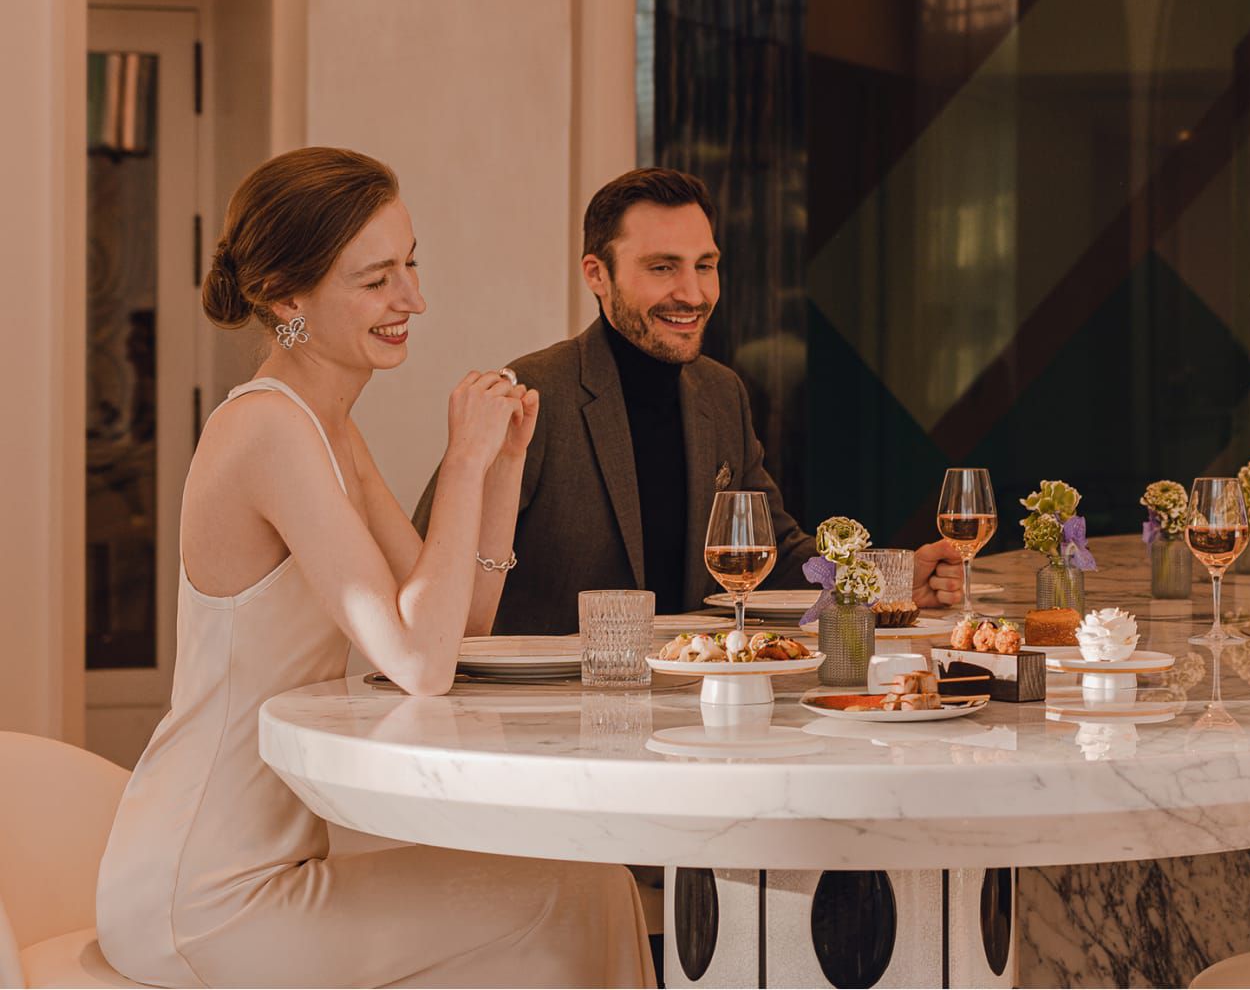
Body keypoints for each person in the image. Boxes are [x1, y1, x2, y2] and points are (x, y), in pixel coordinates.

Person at [96, 147, 654, 987]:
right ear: (289, 297)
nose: (413, 300)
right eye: (377, 279)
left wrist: (500, 472)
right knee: (578, 894)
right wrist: (459, 464)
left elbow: (457, 627)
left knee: (581, 892)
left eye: (411, 264)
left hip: (269, 863)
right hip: (205, 893)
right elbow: (421, 665)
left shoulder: (327, 427)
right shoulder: (269, 432)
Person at [415, 168, 961, 631]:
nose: (694, 294)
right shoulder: (531, 393)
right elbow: (434, 566)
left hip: (695, 703)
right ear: (597, 275)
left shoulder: (722, 392)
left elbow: (772, 555)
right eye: (662, 267)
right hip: (543, 717)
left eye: (704, 265)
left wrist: (888, 581)